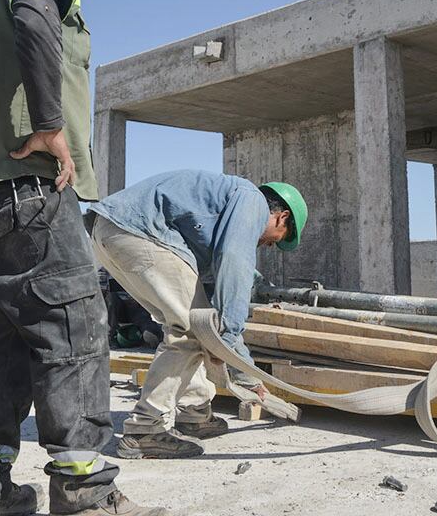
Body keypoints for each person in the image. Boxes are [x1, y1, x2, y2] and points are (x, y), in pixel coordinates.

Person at [0, 0, 166, 516]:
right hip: (32, 183)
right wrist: (49, 125)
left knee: (4, 333)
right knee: (74, 328)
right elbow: (37, 18)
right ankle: (86, 493)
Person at [86, 170, 307, 459]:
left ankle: (194, 410)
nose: (268, 245)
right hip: (137, 232)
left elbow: (223, 267)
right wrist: (231, 345)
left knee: (191, 324)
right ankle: (145, 429)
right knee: (192, 328)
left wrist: (224, 343)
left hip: (110, 231)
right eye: (276, 240)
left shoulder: (224, 205)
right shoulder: (253, 201)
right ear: (282, 217)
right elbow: (235, 261)